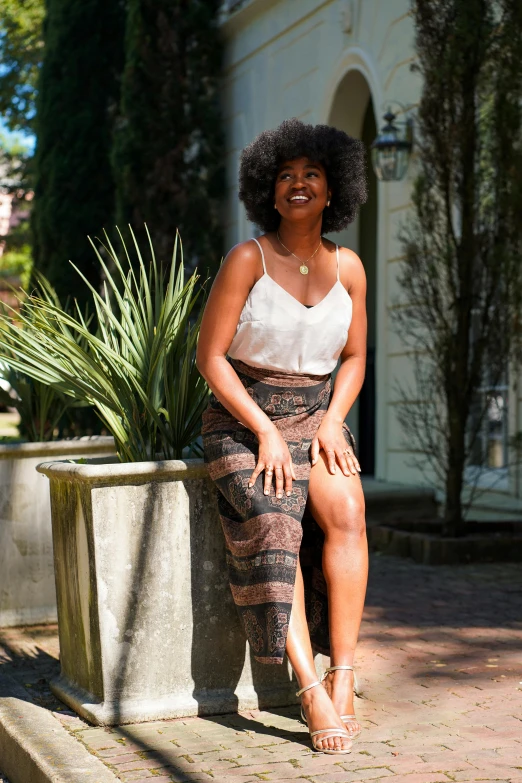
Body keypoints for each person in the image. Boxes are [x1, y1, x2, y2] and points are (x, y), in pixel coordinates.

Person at [196, 117, 368, 755]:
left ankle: (343, 670)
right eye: (286, 176)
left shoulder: (349, 268)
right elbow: (209, 357)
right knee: (274, 519)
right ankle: (308, 687)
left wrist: (330, 421)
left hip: (317, 413)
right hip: (245, 418)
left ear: (333, 190)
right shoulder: (248, 258)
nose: (299, 183)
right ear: (268, 192)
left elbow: (353, 358)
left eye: (312, 174)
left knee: (347, 508)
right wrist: (265, 430)